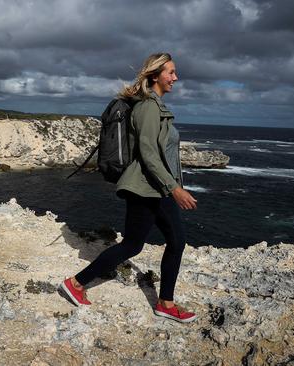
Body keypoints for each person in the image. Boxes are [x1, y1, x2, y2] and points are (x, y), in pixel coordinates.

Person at [60, 53, 199, 323]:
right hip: (148, 187)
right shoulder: (148, 107)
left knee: (142, 244)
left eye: (175, 72)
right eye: (170, 72)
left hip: (153, 187)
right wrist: (175, 189)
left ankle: (77, 284)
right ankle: (162, 303)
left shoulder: (155, 105)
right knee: (159, 243)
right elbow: (148, 154)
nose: (175, 78)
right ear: (155, 75)